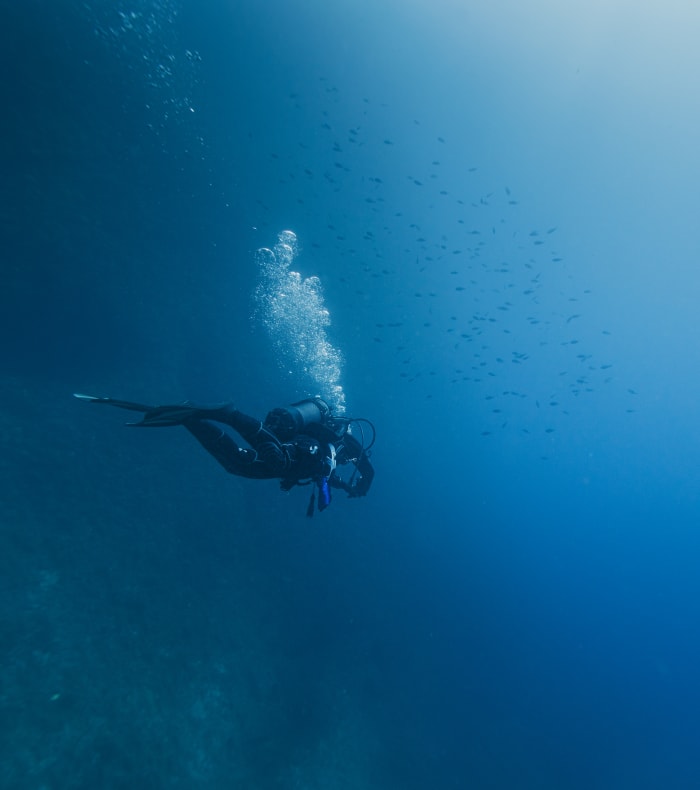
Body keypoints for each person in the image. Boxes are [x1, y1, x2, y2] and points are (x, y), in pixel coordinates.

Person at [74, 393, 375, 516]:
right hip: (295, 453)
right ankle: (230, 415)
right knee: (276, 459)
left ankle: (191, 420)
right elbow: (366, 469)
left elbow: (329, 477)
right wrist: (362, 484)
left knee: (239, 465)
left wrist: (347, 487)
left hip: (294, 459)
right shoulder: (344, 438)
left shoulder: (334, 456)